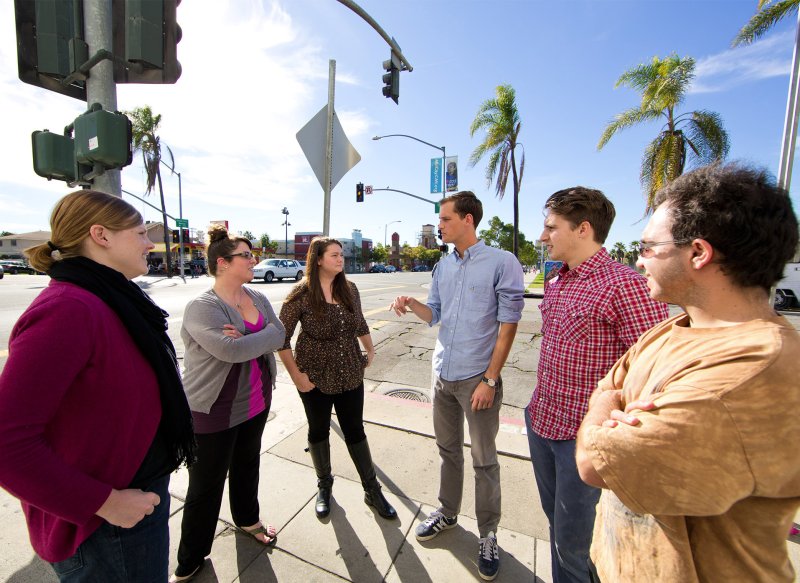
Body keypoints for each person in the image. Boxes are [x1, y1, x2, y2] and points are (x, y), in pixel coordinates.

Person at [575, 162, 800, 582]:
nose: (639, 262)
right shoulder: (676, 326)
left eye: (647, 248)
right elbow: (607, 387)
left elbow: (593, 462)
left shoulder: (749, 371)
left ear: (698, 252)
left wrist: (604, 412)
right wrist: (607, 404)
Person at [0, 190, 195, 582]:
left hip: (133, 504)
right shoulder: (69, 309)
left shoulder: (111, 298)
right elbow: (7, 442)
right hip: (105, 528)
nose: (149, 243)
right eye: (140, 232)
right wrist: (105, 503)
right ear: (101, 235)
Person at [526, 186, 668, 583]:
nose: (543, 236)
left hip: (582, 439)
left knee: (572, 545)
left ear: (583, 229)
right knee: (557, 530)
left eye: (551, 228)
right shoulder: (557, 281)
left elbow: (654, 372)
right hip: (542, 421)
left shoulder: (625, 285)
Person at [390, 191, 524, 581]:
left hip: (478, 381)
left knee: (484, 461)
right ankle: (448, 512)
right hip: (442, 376)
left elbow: (508, 325)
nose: (440, 226)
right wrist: (413, 303)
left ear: (467, 220)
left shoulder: (503, 262)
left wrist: (490, 379)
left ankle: (488, 533)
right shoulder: (442, 268)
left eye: (445, 220)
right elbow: (435, 316)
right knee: (448, 450)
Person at [171, 225, 286, 582]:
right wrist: (259, 337)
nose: (253, 260)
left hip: (255, 401)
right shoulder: (202, 307)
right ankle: (191, 558)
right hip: (213, 410)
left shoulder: (258, 296)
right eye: (246, 255)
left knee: (247, 464)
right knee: (205, 485)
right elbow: (230, 351)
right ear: (222, 263)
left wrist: (253, 336)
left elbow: (281, 333)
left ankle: (248, 520)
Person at [278, 237, 396, 522]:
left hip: (350, 372)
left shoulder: (349, 289)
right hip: (314, 375)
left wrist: (369, 348)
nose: (340, 259)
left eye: (342, 255)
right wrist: (297, 377)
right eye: (334, 255)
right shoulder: (302, 293)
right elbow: (281, 338)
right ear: (318, 259)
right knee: (318, 431)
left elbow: (361, 323)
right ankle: (324, 485)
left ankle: (372, 489)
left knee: (355, 430)